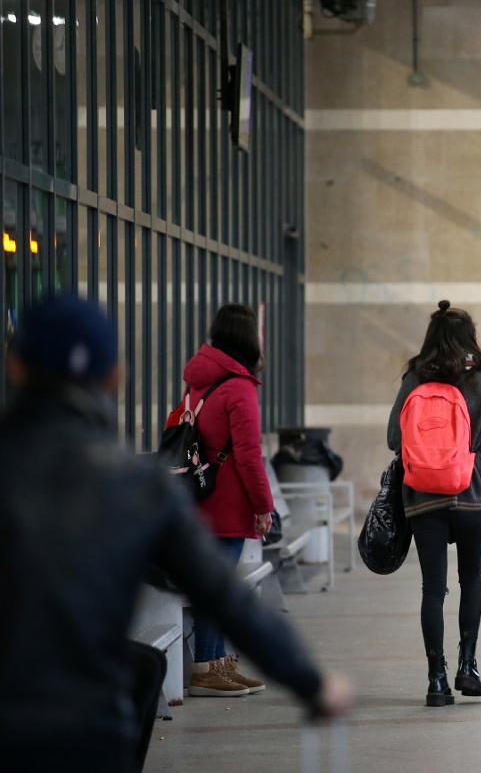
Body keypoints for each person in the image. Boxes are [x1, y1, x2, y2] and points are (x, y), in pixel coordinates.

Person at [0, 296, 352, 773]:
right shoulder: (136, 486)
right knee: (144, 668)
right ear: (115, 376)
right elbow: (226, 597)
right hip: (87, 728)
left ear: (15, 367)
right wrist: (311, 682)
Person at [388, 300, 481, 708]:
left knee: (432, 589)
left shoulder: (414, 377)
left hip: (423, 497)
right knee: (471, 580)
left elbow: (394, 438)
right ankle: (468, 667)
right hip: (472, 494)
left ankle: (436, 679)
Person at [174, 303, 277, 697]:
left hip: (200, 498)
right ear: (249, 338)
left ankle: (218, 662)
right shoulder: (239, 387)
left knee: (216, 584)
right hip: (229, 501)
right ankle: (206, 667)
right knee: (218, 588)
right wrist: (263, 506)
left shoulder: (199, 381)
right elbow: (249, 455)